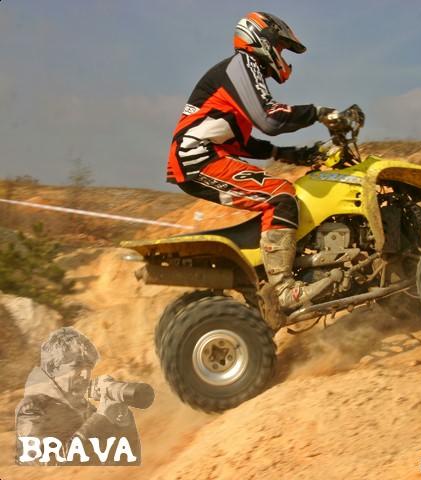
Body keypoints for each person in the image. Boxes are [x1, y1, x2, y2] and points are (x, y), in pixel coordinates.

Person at [166, 11, 343, 311]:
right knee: (281, 197)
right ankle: (284, 288)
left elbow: (242, 141)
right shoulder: (242, 65)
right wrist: (319, 113)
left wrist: (292, 154)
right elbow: (269, 119)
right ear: (263, 39)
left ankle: (275, 269)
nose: (282, 56)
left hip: (207, 155)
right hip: (198, 158)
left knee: (281, 194)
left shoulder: (244, 74)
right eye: (281, 47)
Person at [15, 328, 142, 465]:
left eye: (89, 367)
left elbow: (128, 462)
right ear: (53, 369)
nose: (85, 375)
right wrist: (99, 419)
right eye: (77, 366)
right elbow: (48, 464)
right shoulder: (31, 410)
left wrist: (123, 423)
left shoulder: (86, 409)